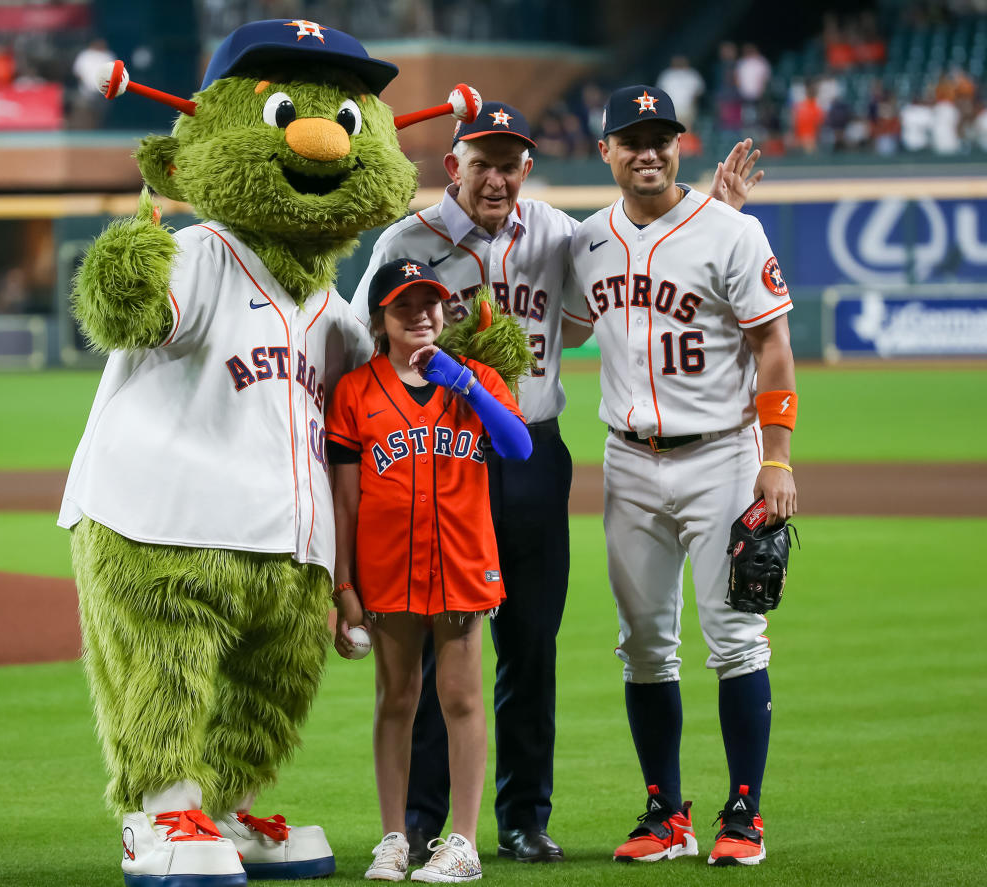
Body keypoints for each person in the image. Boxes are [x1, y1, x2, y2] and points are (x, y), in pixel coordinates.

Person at [352, 100, 764, 866]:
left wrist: (723, 213)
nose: (497, 178)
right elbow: (358, 344)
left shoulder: (558, 235)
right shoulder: (406, 243)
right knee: (440, 641)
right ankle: (419, 819)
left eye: (511, 164)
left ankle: (522, 817)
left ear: (527, 169)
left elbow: (634, 274)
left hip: (534, 450)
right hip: (440, 460)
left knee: (529, 644)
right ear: (454, 168)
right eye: (483, 163)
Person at [568, 84, 798, 867]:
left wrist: (777, 456)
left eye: (660, 136)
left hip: (724, 455)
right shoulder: (588, 241)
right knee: (642, 644)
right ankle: (665, 811)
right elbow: (561, 323)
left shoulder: (731, 232)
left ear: (679, 144)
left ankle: (744, 812)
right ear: (606, 151)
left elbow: (773, 346)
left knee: (735, 636)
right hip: (629, 460)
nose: (647, 150)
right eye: (631, 138)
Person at [328, 259, 532, 883]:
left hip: (462, 566)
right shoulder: (355, 392)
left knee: (462, 702)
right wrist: (343, 586)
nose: (420, 315)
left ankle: (463, 844)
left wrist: (462, 382)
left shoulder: (476, 379)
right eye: (403, 306)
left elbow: (519, 445)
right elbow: (345, 498)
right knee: (396, 701)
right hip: (387, 572)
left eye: (430, 303)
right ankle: (394, 839)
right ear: (380, 320)